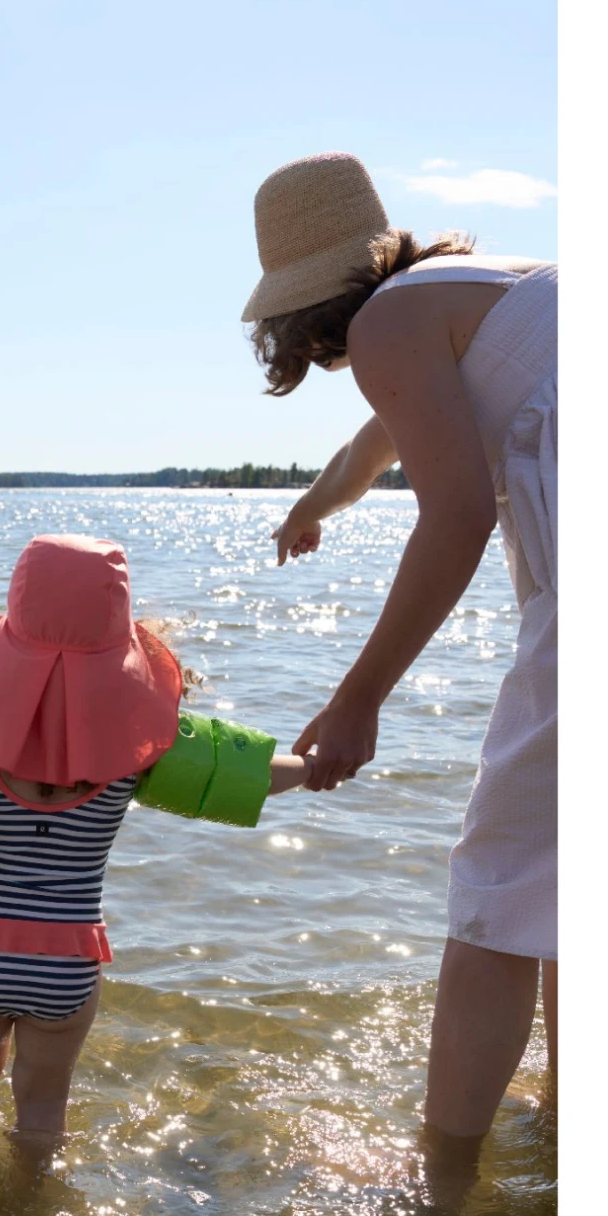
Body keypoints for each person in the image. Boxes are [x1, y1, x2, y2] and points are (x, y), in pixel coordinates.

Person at [242, 152, 557, 1145]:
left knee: (500, 881)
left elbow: (456, 514)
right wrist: (310, 507)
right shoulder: (473, 291)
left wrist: (358, 699)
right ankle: (564, 1125)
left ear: (304, 310)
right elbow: (373, 446)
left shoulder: (388, 322)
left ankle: (442, 1184)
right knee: (565, 871)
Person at [0, 534, 317, 1150]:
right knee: (44, 1099)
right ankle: (37, 1194)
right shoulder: (141, 740)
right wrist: (315, 767)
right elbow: (241, 775)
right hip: (67, 957)